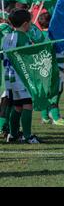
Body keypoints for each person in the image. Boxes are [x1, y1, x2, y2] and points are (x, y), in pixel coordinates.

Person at [3, 9, 41, 143]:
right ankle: (28, 135)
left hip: (9, 76)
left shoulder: (7, 37)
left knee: (17, 106)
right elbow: (27, 58)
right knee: (27, 105)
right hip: (21, 77)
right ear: (25, 24)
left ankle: (12, 135)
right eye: (30, 23)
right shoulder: (24, 37)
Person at [38, 12, 64, 126]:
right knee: (56, 91)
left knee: (46, 91)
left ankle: (45, 117)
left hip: (43, 67)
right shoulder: (53, 35)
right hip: (56, 67)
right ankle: (56, 117)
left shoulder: (38, 35)